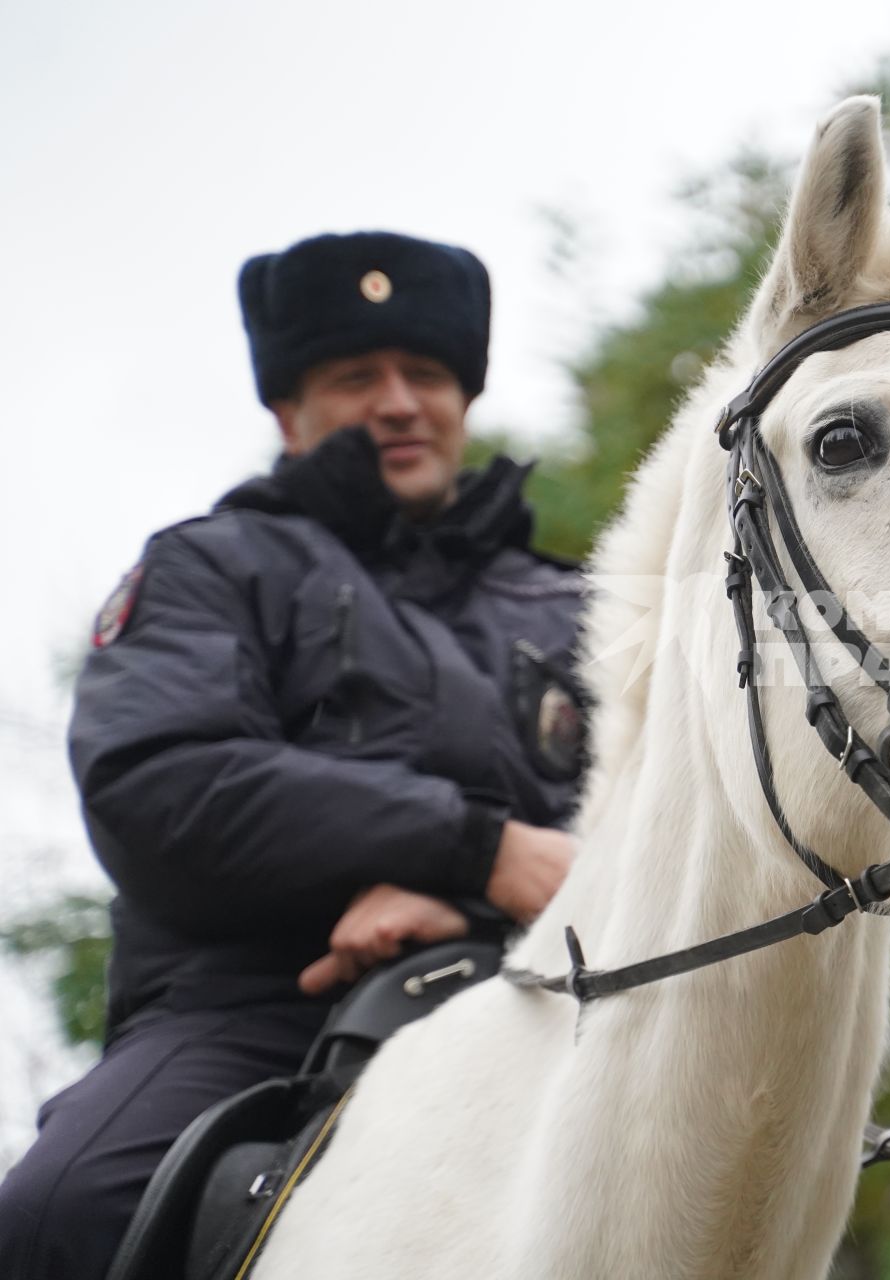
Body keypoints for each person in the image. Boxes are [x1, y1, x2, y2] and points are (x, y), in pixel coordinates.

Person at [0, 230, 590, 1280]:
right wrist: (477, 845)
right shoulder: (208, 569)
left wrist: (477, 899)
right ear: (288, 410)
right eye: (355, 375)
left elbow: (675, 822)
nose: (398, 401)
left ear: (462, 398)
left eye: (426, 374)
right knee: (55, 1211)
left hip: (555, 982)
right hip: (258, 1004)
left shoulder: (577, 605)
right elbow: (161, 781)